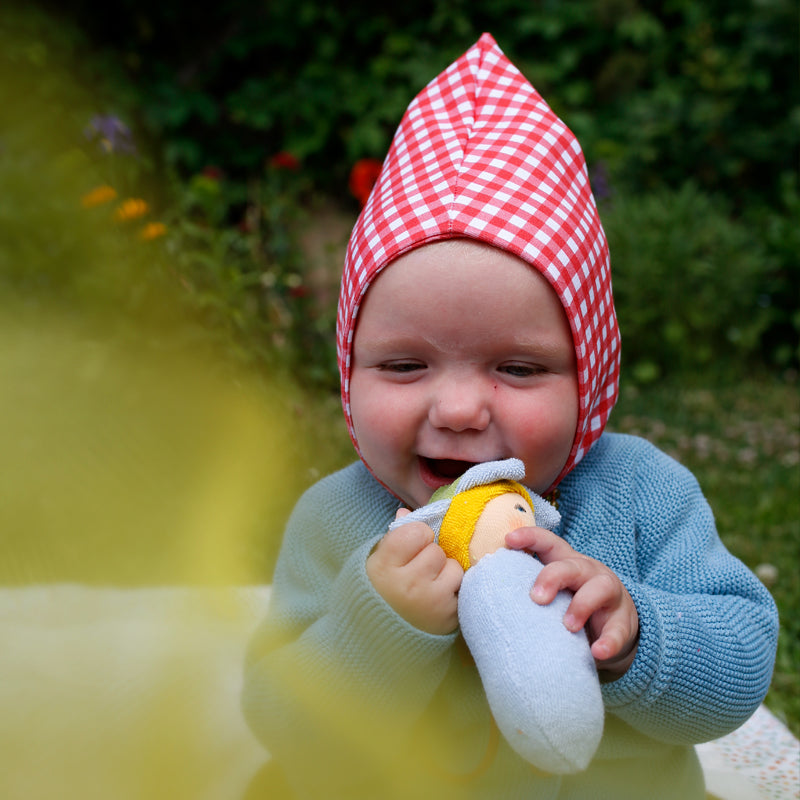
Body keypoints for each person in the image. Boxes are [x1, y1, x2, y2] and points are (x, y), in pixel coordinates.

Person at [242, 33, 778, 799]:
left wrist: (637, 636)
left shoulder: (640, 493)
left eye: (518, 369)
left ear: (589, 378)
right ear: (348, 372)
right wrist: (375, 631)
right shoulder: (336, 520)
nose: (458, 410)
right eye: (404, 365)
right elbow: (287, 726)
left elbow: (740, 668)